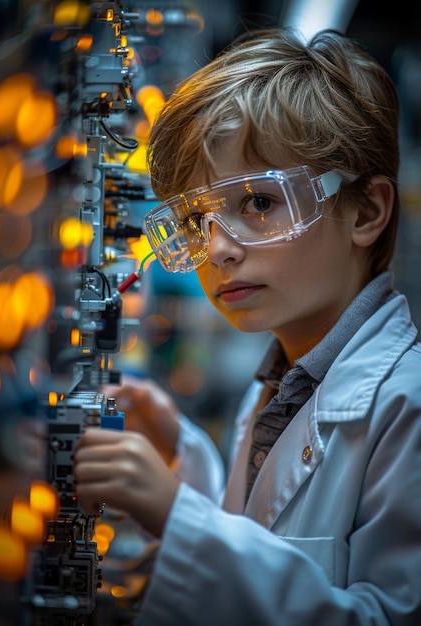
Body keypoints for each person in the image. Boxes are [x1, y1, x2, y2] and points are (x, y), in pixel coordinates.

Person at [74, 28, 421, 625]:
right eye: (193, 219)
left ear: (366, 210)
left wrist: (176, 513)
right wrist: (182, 457)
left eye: (258, 202)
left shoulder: (406, 405)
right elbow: (261, 542)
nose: (217, 250)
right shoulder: (285, 380)